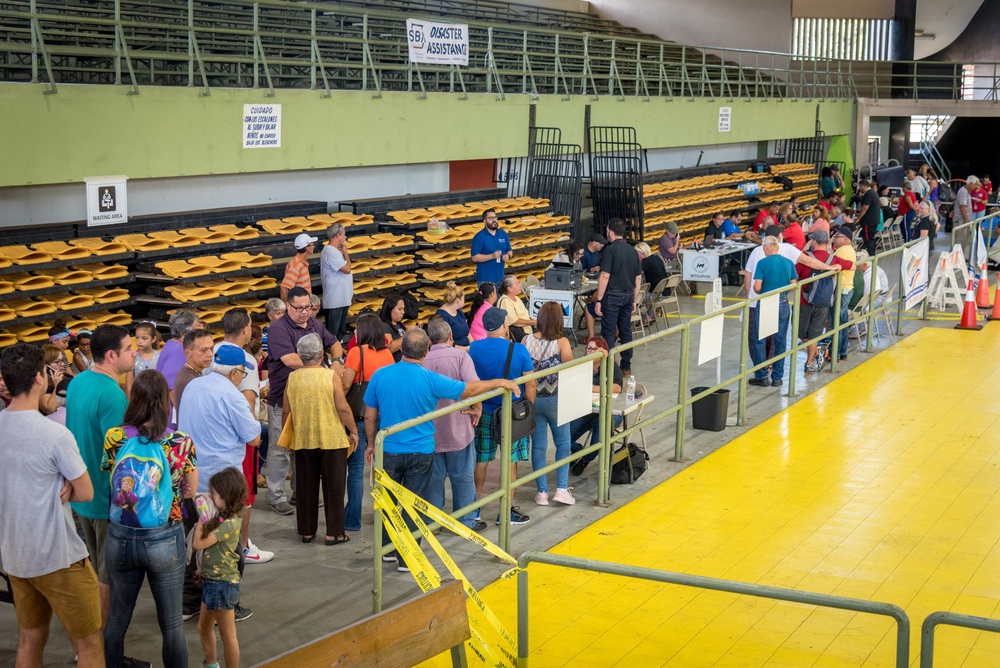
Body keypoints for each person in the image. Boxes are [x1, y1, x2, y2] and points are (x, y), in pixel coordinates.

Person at [363, 328, 520, 571]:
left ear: (401, 348)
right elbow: (469, 390)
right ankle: (409, 557)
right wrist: (501, 382)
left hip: (389, 449)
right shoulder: (429, 379)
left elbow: (370, 416)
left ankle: (388, 549)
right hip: (422, 451)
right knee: (413, 502)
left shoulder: (380, 375)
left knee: (389, 501)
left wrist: (372, 444)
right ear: (426, 352)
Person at [0, 344, 103, 668]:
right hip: (57, 555)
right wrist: (68, 484)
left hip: (15, 557)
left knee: (30, 639)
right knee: (88, 643)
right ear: (39, 377)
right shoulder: (54, 434)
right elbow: (86, 492)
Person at [101, 370, 197, 668]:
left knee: (117, 618)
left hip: (121, 533)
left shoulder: (115, 436)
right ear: (166, 401)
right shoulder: (180, 441)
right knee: (171, 624)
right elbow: (191, 490)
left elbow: (109, 475)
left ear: (135, 400)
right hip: (165, 535)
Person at [178, 345, 261, 623]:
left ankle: (189, 602)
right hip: (222, 486)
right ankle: (227, 603)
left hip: (192, 479)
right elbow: (253, 437)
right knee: (226, 545)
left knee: (192, 542)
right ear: (236, 373)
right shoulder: (232, 396)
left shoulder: (193, 387)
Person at [65, 324, 135, 629]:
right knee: (109, 579)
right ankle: (102, 645)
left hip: (83, 497)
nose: (134, 353)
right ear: (111, 355)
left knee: (94, 572)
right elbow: (120, 460)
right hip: (107, 502)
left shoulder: (78, 383)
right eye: (129, 348)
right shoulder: (113, 397)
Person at [265, 286, 341, 515]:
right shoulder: (278, 329)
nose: (305, 312)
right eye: (299, 308)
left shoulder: (314, 325)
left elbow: (334, 343)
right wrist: (321, 367)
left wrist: (336, 360)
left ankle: (301, 491)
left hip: (309, 400)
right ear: (288, 306)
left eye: (308, 307)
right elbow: (289, 359)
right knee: (281, 447)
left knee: (304, 447)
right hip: (283, 398)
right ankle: (276, 495)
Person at [211, 309, 273, 567]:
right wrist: (252, 435)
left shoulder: (213, 351)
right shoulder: (245, 359)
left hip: (215, 432)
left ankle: (214, 541)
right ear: (246, 330)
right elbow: (249, 399)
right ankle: (243, 546)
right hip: (240, 436)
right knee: (244, 496)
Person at [282, 333, 358, 544]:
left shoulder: (293, 377)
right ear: (321, 354)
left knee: (305, 487)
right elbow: (342, 407)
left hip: (303, 439)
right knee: (334, 488)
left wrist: (286, 437)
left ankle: (306, 531)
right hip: (332, 439)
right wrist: (353, 430)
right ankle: (334, 533)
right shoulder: (329, 376)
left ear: (300, 355)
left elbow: (286, 412)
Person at [468, 307, 537, 527]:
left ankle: (475, 509)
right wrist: (529, 407)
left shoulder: (475, 348)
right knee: (511, 462)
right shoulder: (518, 350)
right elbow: (531, 383)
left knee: (481, 460)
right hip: (512, 414)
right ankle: (505, 511)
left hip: (484, 411)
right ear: (505, 326)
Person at [421, 318, 487, 533]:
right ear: (450, 337)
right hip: (458, 428)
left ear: (429, 340)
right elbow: (473, 387)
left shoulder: (422, 360)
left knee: (433, 479)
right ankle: (465, 521)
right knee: (463, 477)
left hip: (429, 432)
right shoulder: (460, 356)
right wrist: (477, 407)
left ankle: (432, 522)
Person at [341, 313, 396, 533]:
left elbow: (346, 385)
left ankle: (352, 519)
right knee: (382, 469)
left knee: (355, 470)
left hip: (360, 417)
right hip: (384, 417)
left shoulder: (356, 352)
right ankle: (385, 514)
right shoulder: (388, 355)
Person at [194, 467, 247, 668]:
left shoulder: (230, 524)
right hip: (213, 582)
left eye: (214, 493)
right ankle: (211, 664)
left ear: (226, 496)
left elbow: (199, 543)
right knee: (203, 627)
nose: (209, 496)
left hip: (223, 584)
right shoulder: (222, 520)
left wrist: (201, 519)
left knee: (228, 635)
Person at [523, 302, 575, 506]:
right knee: (563, 444)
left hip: (533, 399)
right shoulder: (562, 343)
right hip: (556, 399)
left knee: (539, 446)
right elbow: (570, 369)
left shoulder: (526, 340)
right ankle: (561, 489)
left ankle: (542, 492)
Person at [568, 336, 623, 476]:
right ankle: (578, 450)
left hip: (608, 411)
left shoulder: (610, 365)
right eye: (588, 348)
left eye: (595, 349)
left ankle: (585, 460)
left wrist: (593, 387)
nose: (590, 352)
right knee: (564, 438)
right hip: (586, 410)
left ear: (604, 351)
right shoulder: (581, 365)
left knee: (600, 434)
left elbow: (617, 387)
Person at [594, 218, 642, 376]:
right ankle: (626, 366)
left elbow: (604, 276)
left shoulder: (610, 250)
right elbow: (638, 278)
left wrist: (599, 300)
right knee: (625, 331)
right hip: (628, 295)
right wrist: (634, 299)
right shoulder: (633, 251)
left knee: (608, 331)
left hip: (612, 296)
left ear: (610, 232)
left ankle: (608, 366)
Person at [748, 236, 798, 387]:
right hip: (783, 302)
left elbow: (757, 287)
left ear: (767, 248)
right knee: (780, 340)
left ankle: (762, 375)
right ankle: (777, 378)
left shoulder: (762, 263)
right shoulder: (788, 263)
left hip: (766, 302)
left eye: (764, 248)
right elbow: (793, 284)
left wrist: (765, 289)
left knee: (760, 340)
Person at [156, 309, 204, 425]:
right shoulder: (177, 351)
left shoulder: (172, 345)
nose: (201, 329)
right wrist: (185, 420)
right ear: (184, 334)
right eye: (197, 327)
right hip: (174, 420)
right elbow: (172, 390)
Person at [822, 226, 858, 363]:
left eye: (837, 236)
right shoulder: (849, 250)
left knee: (835, 323)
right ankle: (842, 352)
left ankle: (834, 353)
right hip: (847, 288)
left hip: (840, 290)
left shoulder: (841, 252)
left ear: (845, 239)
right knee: (842, 322)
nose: (834, 239)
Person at [320, 223, 353, 343]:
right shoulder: (330, 251)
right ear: (338, 235)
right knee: (332, 336)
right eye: (344, 234)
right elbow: (347, 269)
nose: (345, 237)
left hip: (341, 299)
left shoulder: (333, 252)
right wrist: (345, 251)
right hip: (335, 301)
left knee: (339, 333)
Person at [173, 328, 215, 422]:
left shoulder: (193, 374)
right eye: (203, 350)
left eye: (211, 349)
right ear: (188, 353)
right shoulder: (189, 380)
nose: (210, 354)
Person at [470, 208, 512, 286]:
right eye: (490, 218)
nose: (494, 220)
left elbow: (509, 250)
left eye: (495, 217)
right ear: (484, 221)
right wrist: (492, 256)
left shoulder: (503, 234)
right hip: (485, 279)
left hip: (500, 277)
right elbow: (474, 257)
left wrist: (508, 256)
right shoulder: (479, 237)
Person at [496, 275, 536, 340]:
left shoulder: (517, 298)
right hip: (519, 335)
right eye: (517, 284)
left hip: (527, 331)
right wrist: (534, 322)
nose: (520, 285)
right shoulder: (505, 301)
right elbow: (514, 322)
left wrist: (535, 321)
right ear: (509, 288)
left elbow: (524, 315)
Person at [280, 233, 316, 301]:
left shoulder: (300, 263)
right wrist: (287, 309)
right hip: (299, 306)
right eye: (312, 244)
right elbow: (284, 287)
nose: (314, 246)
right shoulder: (296, 265)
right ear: (307, 248)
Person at [435, 281, 471, 348]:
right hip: (454, 351)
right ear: (458, 300)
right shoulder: (442, 316)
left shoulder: (460, 312)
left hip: (467, 348)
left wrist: (474, 346)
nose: (464, 300)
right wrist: (466, 349)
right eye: (463, 298)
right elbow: (445, 343)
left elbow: (468, 334)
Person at [39, 344, 66, 418]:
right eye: (57, 361)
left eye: (62, 360)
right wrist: (58, 385)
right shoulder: (42, 386)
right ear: (45, 366)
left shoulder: (67, 377)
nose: (62, 364)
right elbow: (50, 409)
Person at [855, 179, 881, 255]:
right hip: (874, 220)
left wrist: (858, 218)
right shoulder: (873, 193)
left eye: (860, 186)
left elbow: (865, 207)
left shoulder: (868, 194)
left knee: (868, 238)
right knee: (870, 237)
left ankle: (870, 254)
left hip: (868, 221)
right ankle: (871, 254)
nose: (860, 188)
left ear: (863, 186)